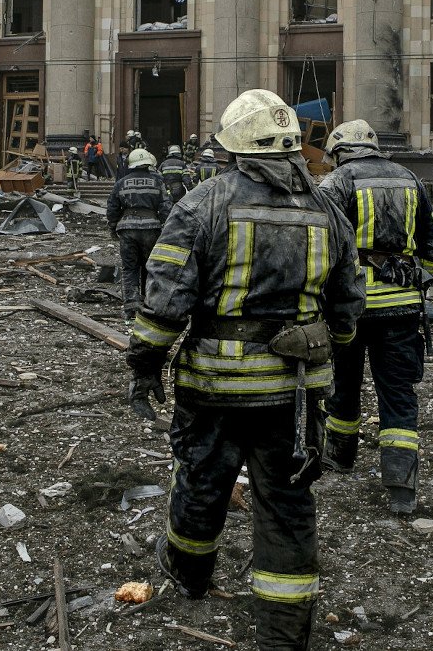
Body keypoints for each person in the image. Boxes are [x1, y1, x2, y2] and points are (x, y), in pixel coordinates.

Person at [125, 89, 364, 651]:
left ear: (232, 147)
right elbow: (347, 307)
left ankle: (189, 574)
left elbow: (164, 303)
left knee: (202, 486)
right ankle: (283, 635)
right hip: (296, 394)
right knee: (287, 504)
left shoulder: (202, 203)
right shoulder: (325, 209)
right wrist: (334, 349)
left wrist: (144, 366)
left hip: (214, 391)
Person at [317, 119, 433, 515]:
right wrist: (415, 280)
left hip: (350, 309)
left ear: (339, 151)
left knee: (344, 385)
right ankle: (401, 489)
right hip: (402, 310)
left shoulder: (337, 182)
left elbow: (319, 242)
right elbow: (431, 250)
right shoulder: (411, 179)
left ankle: (340, 457)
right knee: (398, 396)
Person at [106, 148, 171, 320]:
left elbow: (112, 208)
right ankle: (148, 303)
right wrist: (164, 227)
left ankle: (130, 307)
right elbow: (166, 207)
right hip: (151, 229)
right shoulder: (157, 182)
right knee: (149, 267)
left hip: (127, 230)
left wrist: (113, 227)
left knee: (130, 268)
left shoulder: (121, 183)